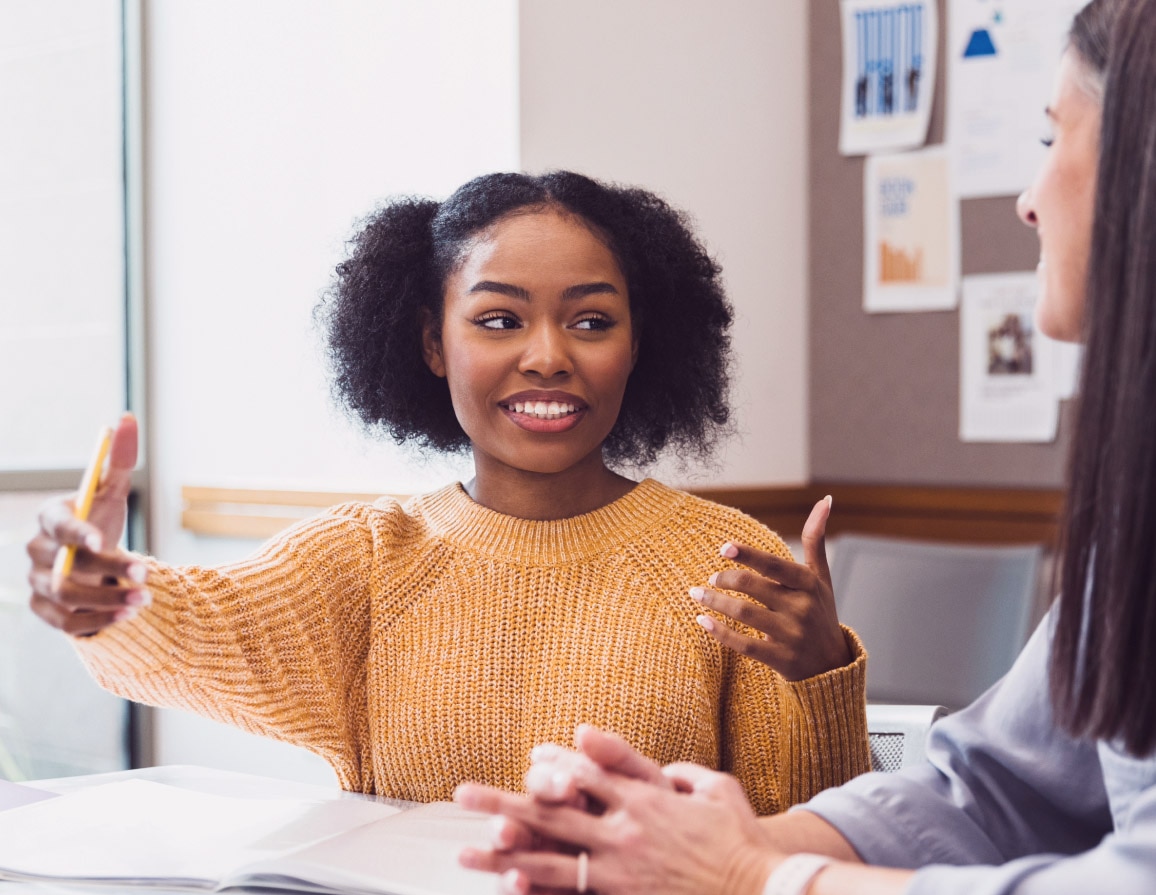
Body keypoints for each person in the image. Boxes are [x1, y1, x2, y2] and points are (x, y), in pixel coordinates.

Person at [453, 2, 1156, 895]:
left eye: (1052, 139)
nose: (1027, 198)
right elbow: (999, 781)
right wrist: (679, 846)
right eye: (499, 318)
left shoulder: (707, 545)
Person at [25, 171, 869, 809]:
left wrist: (823, 672)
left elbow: (812, 838)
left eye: (591, 320)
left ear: (641, 344)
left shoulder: (724, 561)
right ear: (433, 344)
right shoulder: (368, 559)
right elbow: (202, 624)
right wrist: (104, 594)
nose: (547, 356)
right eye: (499, 320)